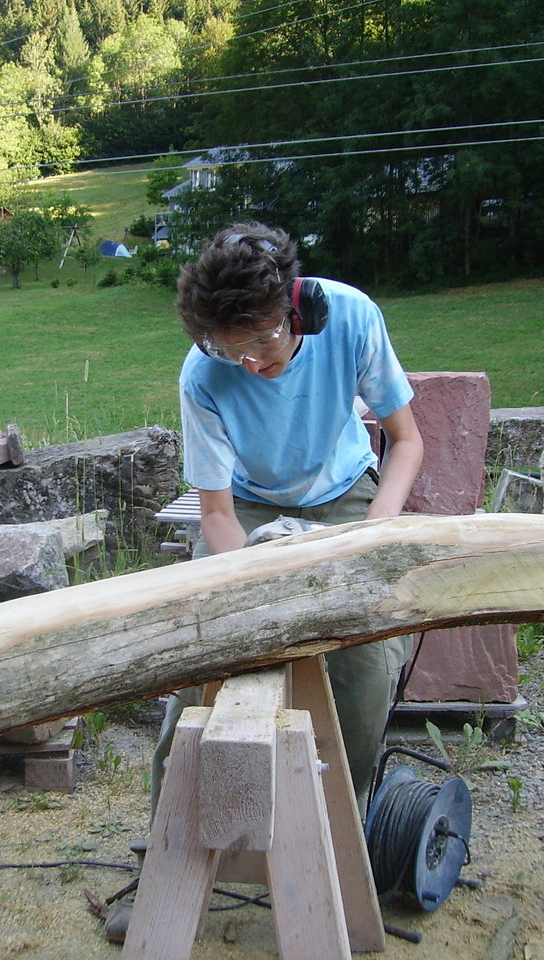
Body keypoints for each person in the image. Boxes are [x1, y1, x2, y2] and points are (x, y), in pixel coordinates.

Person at [104, 221, 423, 942]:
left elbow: (406, 442)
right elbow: (216, 513)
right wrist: (256, 579)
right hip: (246, 505)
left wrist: (372, 535)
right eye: (231, 349)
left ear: (296, 309)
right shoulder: (204, 373)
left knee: (369, 667)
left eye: (263, 341)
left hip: (345, 493)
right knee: (197, 664)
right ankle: (162, 864)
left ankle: (340, 848)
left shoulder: (350, 318)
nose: (251, 362)